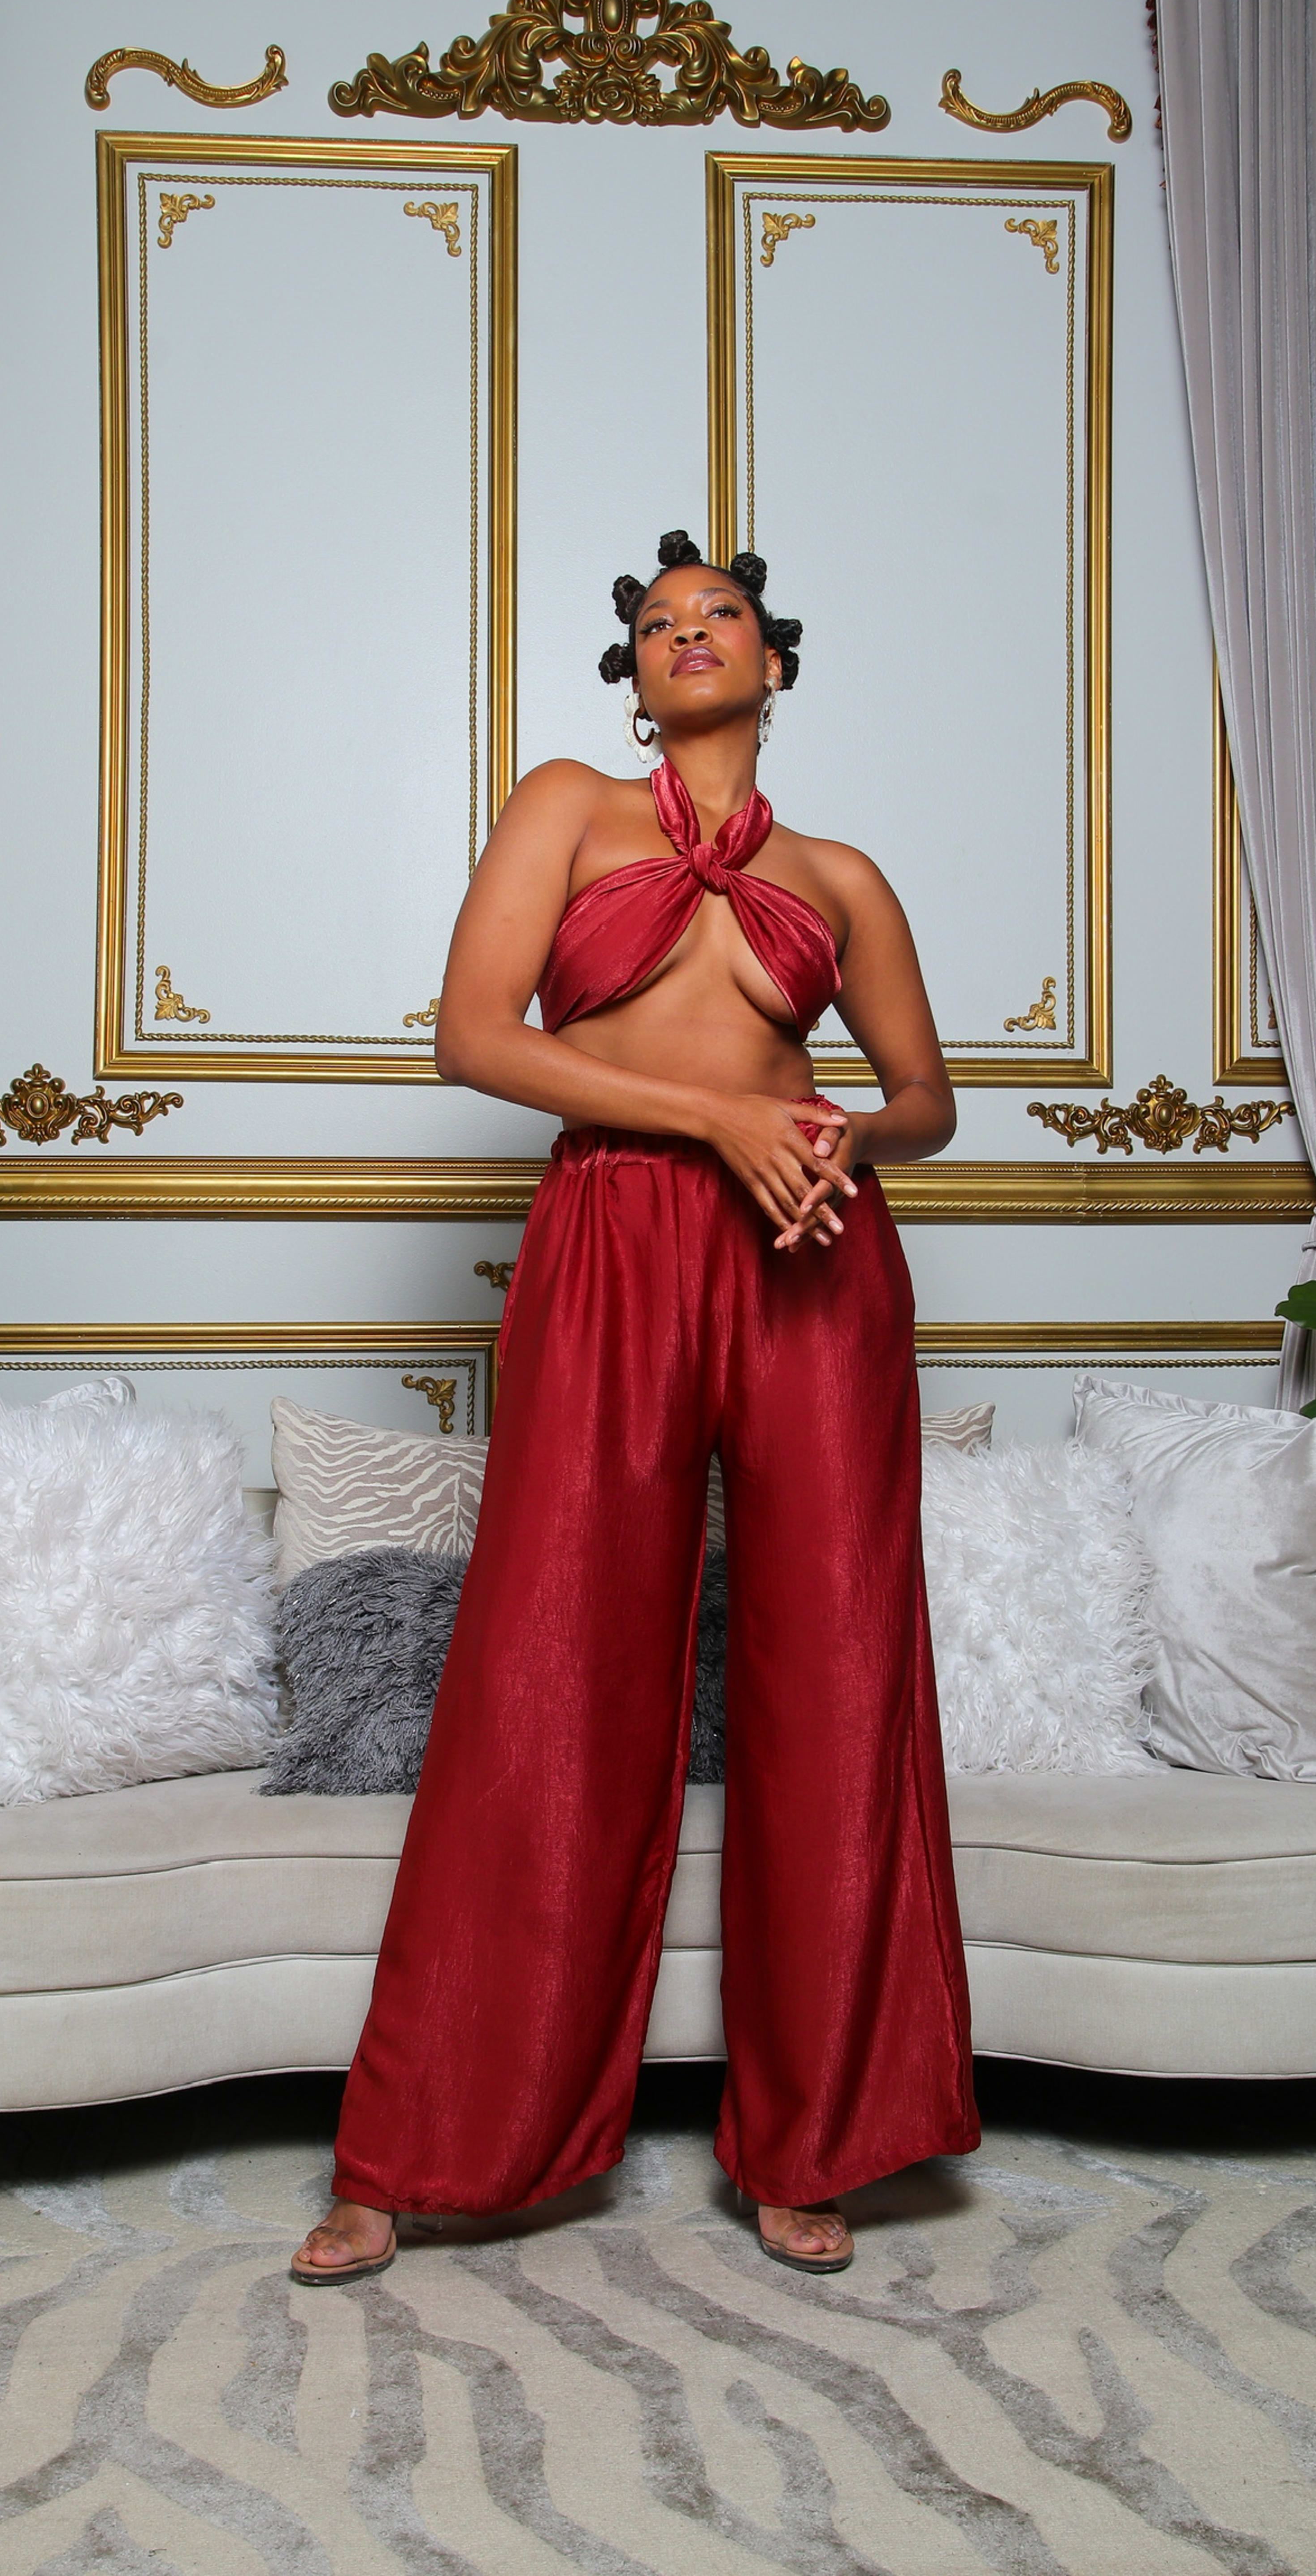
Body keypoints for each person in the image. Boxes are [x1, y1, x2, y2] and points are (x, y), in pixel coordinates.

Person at [292, 530, 978, 2285]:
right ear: (637, 673)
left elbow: (926, 1101)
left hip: (815, 1248)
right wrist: (715, 1123)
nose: (688, 635)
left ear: (774, 661)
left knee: (835, 1667)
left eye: (719, 616)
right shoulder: (569, 806)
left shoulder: (842, 875)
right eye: (660, 624)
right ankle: (427, 2142)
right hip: (614, 1226)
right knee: (553, 1659)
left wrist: (830, 1134)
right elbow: (472, 1039)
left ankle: (819, 2138)